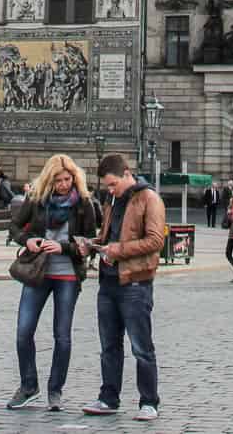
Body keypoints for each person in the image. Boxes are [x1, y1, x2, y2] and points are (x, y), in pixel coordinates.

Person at [7, 154, 100, 410]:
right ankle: (28, 385)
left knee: (62, 335)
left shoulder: (83, 204)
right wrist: (27, 240)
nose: (63, 184)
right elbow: (14, 227)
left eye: (67, 179)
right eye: (58, 180)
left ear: (74, 178)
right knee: (23, 332)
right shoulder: (36, 200)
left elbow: (90, 243)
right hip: (38, 272)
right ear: (49, 180)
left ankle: (55, 390)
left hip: (67, 274)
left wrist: (63, 247)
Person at [81, 152, 165, 420]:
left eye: (113, 184)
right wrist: (92, 244)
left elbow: (155, 241)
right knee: (109, 345)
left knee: (141, 346)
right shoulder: (111, 200)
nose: (110, 189)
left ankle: (149, 402)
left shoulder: (149, 198)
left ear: (127, 174)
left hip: (135, 283)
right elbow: (110, 235)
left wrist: (118, 250)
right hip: (108, 281)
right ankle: (108, 398)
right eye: (107, 185)